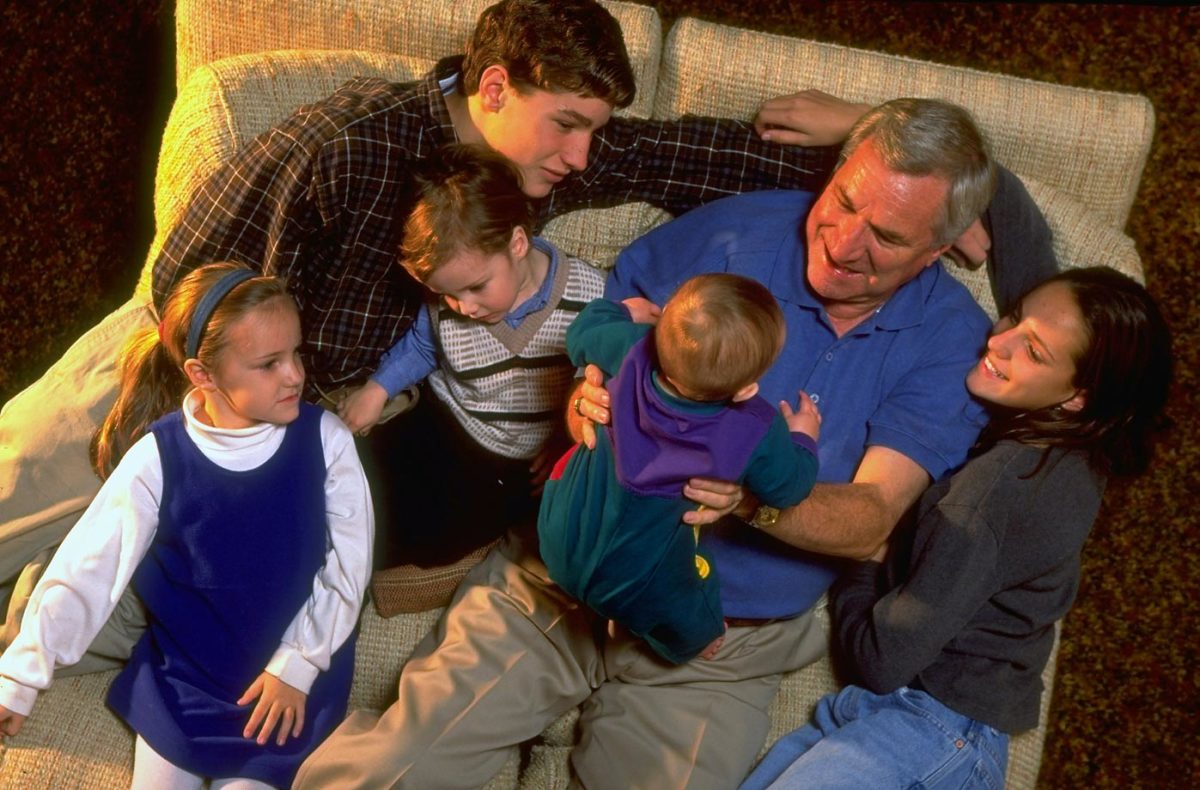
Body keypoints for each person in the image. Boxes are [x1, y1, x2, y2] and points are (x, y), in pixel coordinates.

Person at [294, 97, 997, 790]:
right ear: (838, 169)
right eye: (843, 202)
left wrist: (743, 498)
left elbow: (872, 518)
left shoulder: (950, 342)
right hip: (560, 580)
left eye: (887, 237)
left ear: (941, 248)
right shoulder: (734, 233)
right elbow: (598, 332)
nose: (844, 244)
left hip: (717, 641)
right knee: (388, 773)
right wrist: (581, 398)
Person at [740, 266, 1172, 790]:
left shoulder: (985, 500)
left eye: (1033, 351)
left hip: (932, 733)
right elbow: (1040, 283)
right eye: (1014, 316)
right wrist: (981, 206)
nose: (999, 339)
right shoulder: (1086, 441)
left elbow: (881, 661)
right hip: (907, 724)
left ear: (1077, 393)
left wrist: (862, 560)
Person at [0, 263, 373, 789]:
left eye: (295, 354)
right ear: (202, 375)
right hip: (186, 683)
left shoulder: (328, 441)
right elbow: (87, 568)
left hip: (287, 688)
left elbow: (349, 568)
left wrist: (298, 666)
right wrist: (19, 676)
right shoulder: (156, 457)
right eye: (269, 363)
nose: (295, 375)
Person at [335, 143, 613, 567]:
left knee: (425, 534)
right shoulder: (448, 307)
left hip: (512, 464)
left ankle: (378, 564)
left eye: (477, 287)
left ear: (518, 243)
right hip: (443, 419)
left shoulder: (591, 299)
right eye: (447, 294)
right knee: (352, 476)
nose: (463, 307)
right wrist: (377, 388)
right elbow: (425, 345)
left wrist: (565, 439)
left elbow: (597, 390)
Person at [539, 274, 821, 665]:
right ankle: (691, 642)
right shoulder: (753, 424)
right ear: (746, 390)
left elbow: (580, 333)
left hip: (558, 534)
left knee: (573, 482)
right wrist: (803, 439)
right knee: (692, 593)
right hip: (641, 577)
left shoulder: (628, 347)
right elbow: (789, 488)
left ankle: (601, 604)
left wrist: (621, 310)